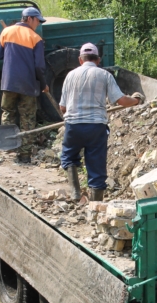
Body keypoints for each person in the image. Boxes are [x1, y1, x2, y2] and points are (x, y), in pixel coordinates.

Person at [59, 43, 144, 201]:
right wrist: (136, 100)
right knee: (96, 164)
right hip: (96, 127)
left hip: (73, 126)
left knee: (68, 157)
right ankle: (95, 206)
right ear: (98, 60)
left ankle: (75, 192)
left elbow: (63, 107)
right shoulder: (104, 75)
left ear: (80, 60)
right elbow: (121, 100)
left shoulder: (70, 75)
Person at [0, 7, 50, 163]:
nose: (38, 24)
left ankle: (7, 149)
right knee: (27, 119)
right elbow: (39, 66)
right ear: (29, 19)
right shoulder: (36, 38)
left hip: (8, 83)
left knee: (7, 113)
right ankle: (25, 156)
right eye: (37, 21)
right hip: (27, 85)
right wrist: (44, 84)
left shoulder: (6, 32)